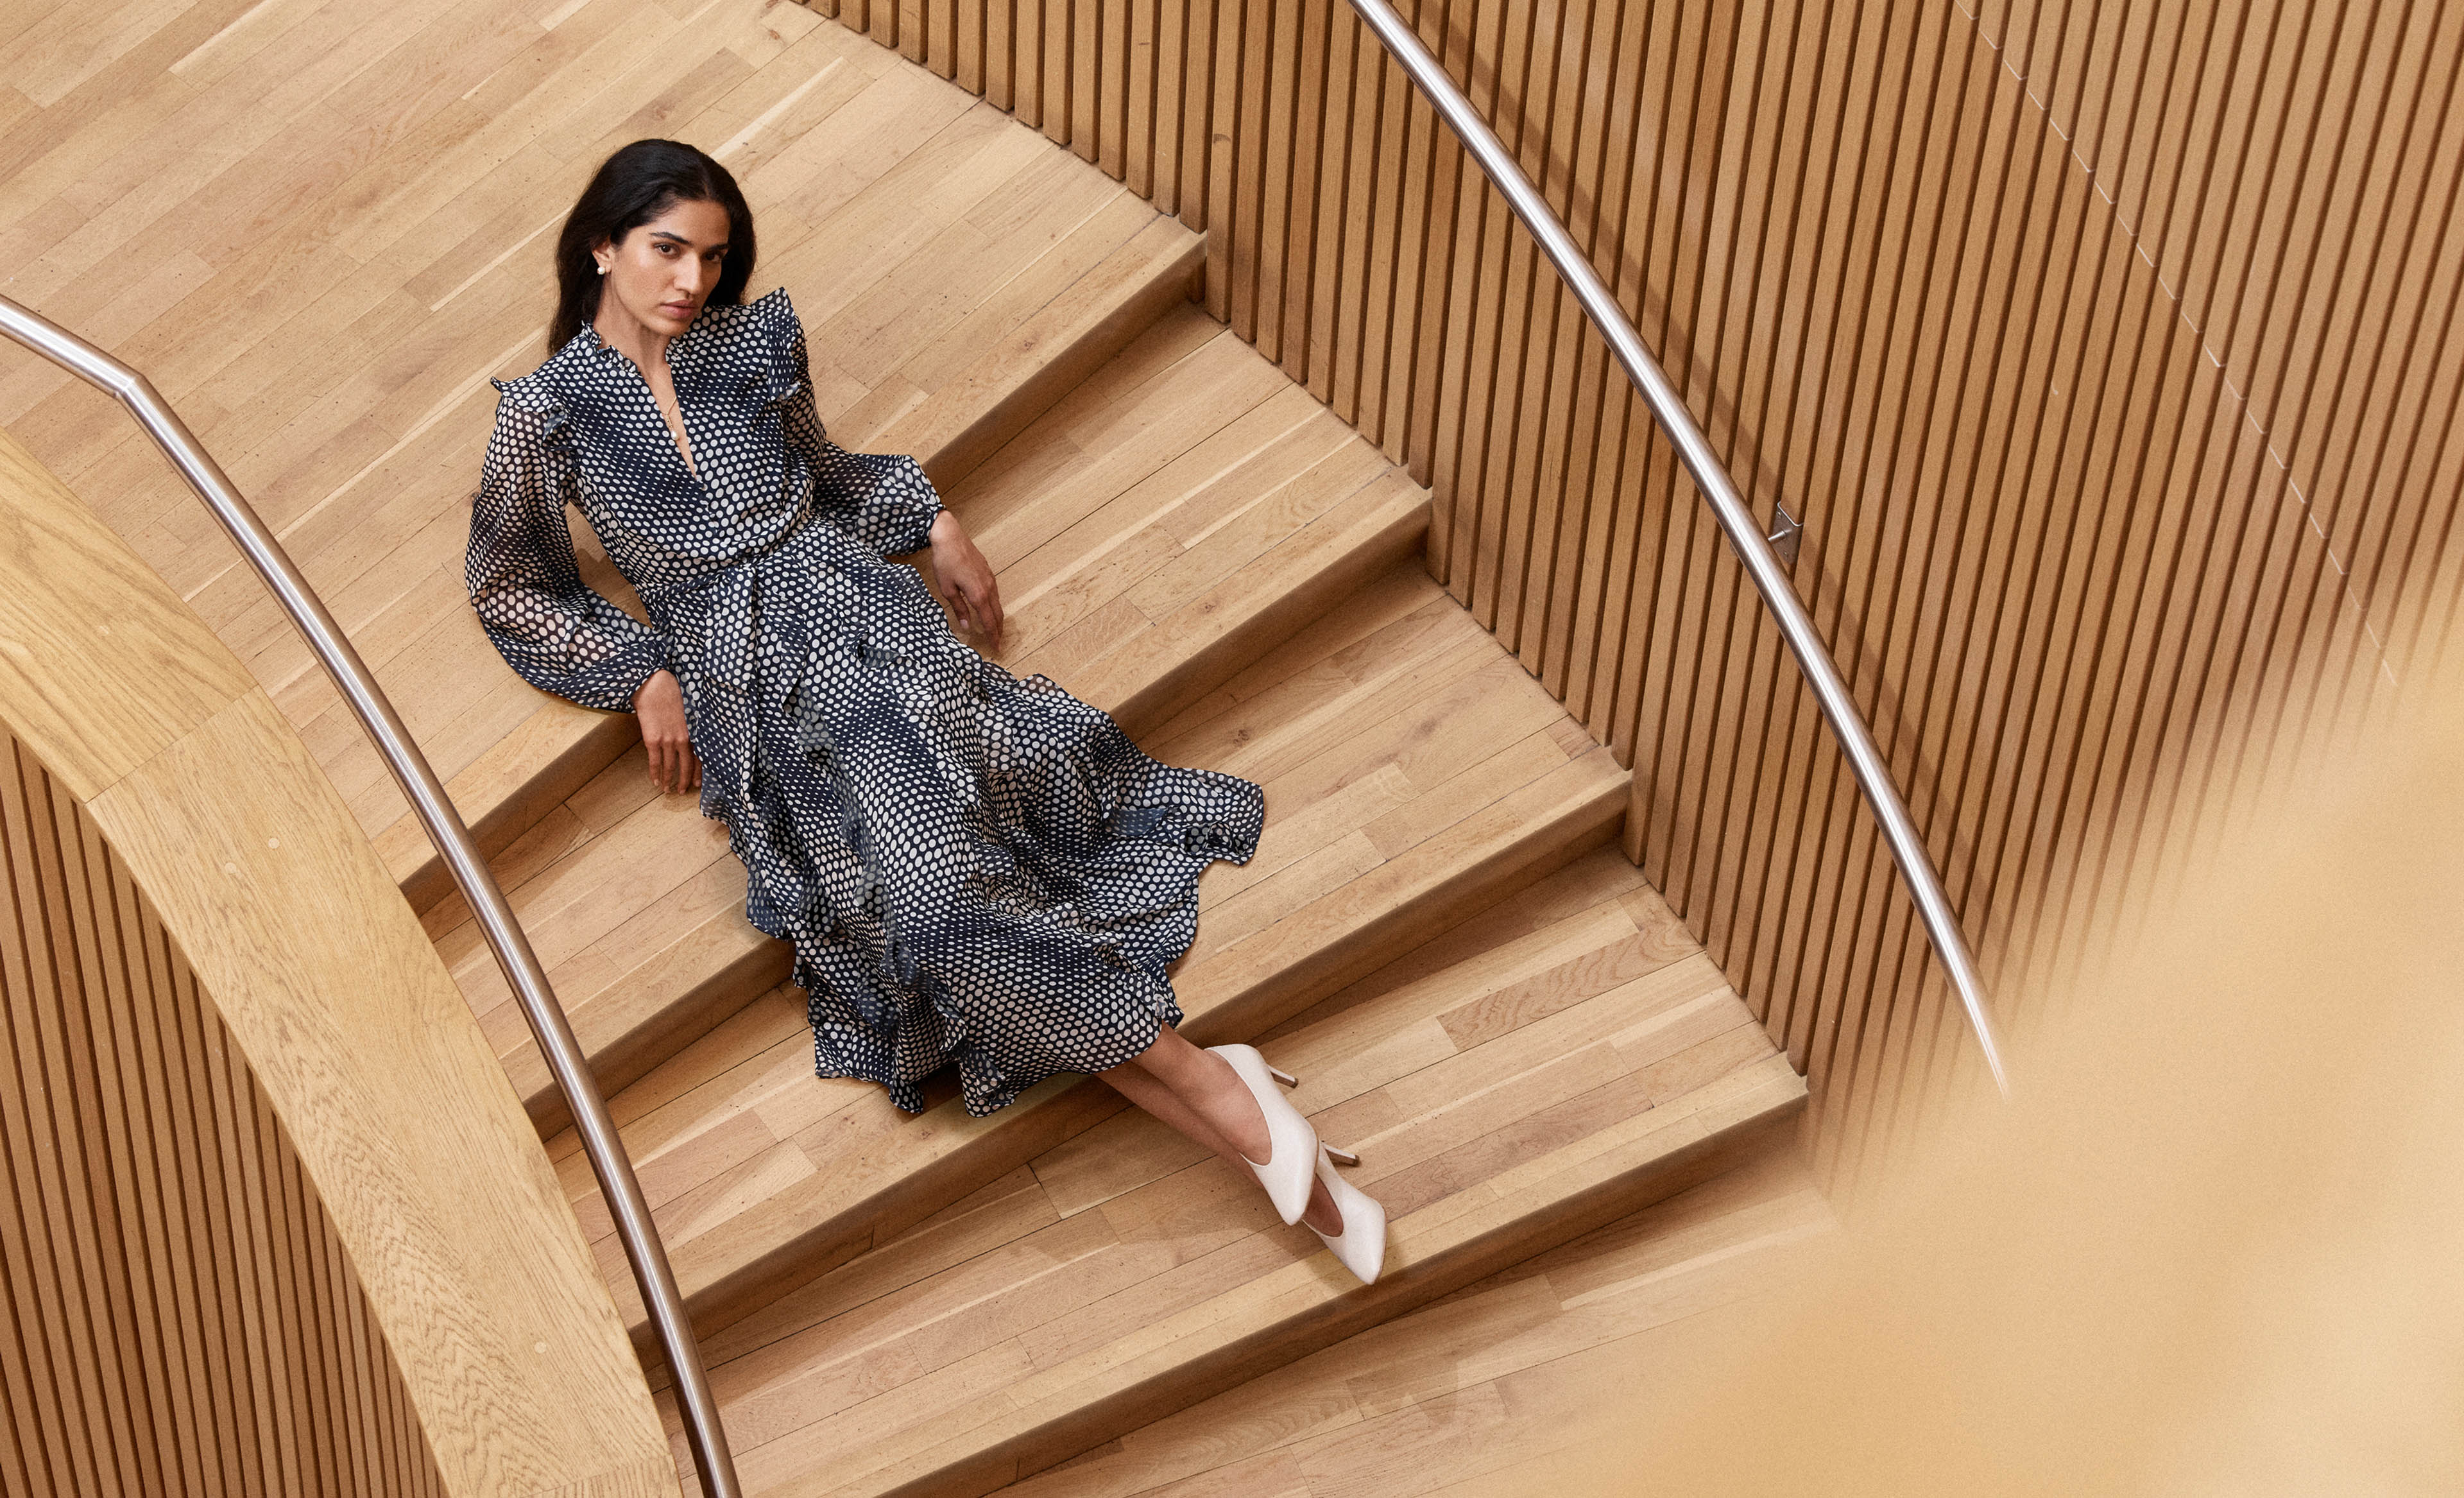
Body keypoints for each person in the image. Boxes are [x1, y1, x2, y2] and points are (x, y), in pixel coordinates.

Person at [463, 139, 1385, 1283]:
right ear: (602, 247)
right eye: (667, 250)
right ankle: (1234, 1101)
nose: (693, 279)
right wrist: (638, 669)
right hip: (752, 693)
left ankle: (1233, 1107)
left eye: (713, 256)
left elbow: (830, 473)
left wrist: (933, 521)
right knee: (944, 925)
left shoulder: (749, 345)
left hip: (865, 625)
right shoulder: (547, 414)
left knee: (949, 907)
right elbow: (508, 583)